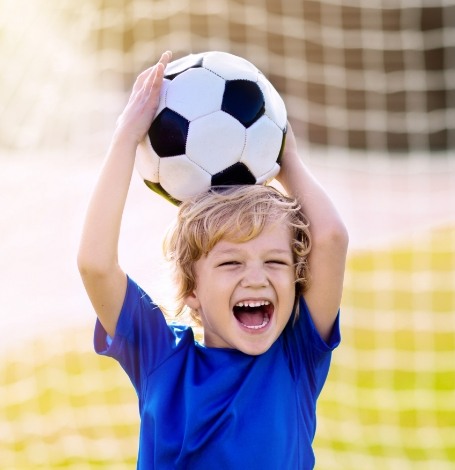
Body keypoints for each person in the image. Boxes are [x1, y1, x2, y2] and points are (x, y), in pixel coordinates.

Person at [77, 50, 348, 469]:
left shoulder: (296, 357)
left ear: (296, 280)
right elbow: (95, 264)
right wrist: (125, 138)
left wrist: (286, 158)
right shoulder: (161, 359)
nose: (256, 278)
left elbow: (330, 239)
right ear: (192, 291)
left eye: (275, 262)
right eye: (231, 263)